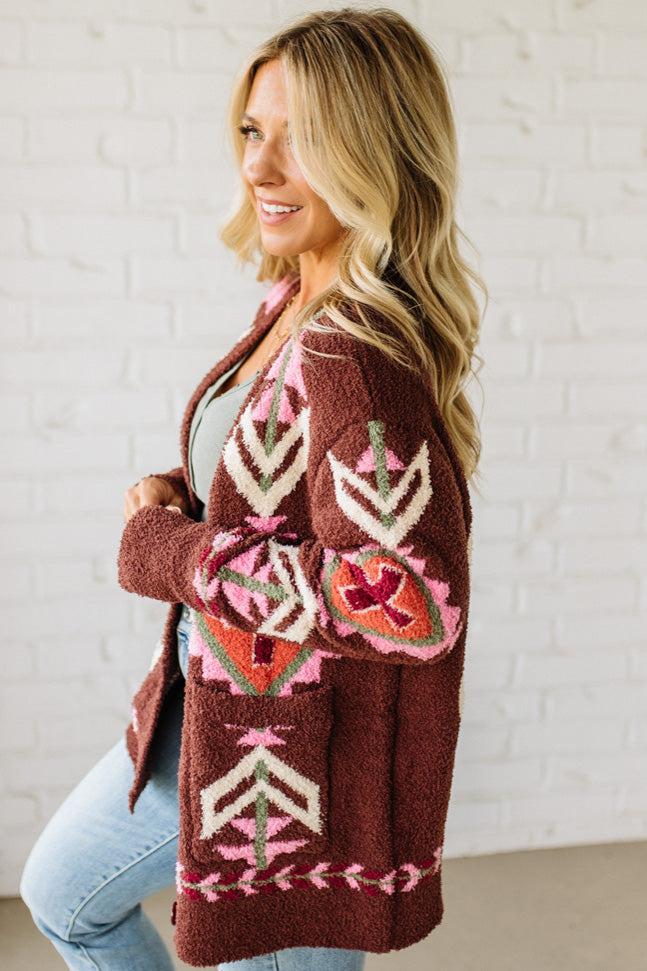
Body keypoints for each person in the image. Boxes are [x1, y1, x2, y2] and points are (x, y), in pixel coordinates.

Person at [19, 7, 483, 969]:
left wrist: (174, 552)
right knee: (63, 891)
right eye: (251, 131)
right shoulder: (290, 299)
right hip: (216, 712)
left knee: (70, 897)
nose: (259, 169)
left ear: (375, 154)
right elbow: (286, 501)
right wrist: (191, 498)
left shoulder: (353, 351)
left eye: (300, 140)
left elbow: (410, 603)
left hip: (293, 766)